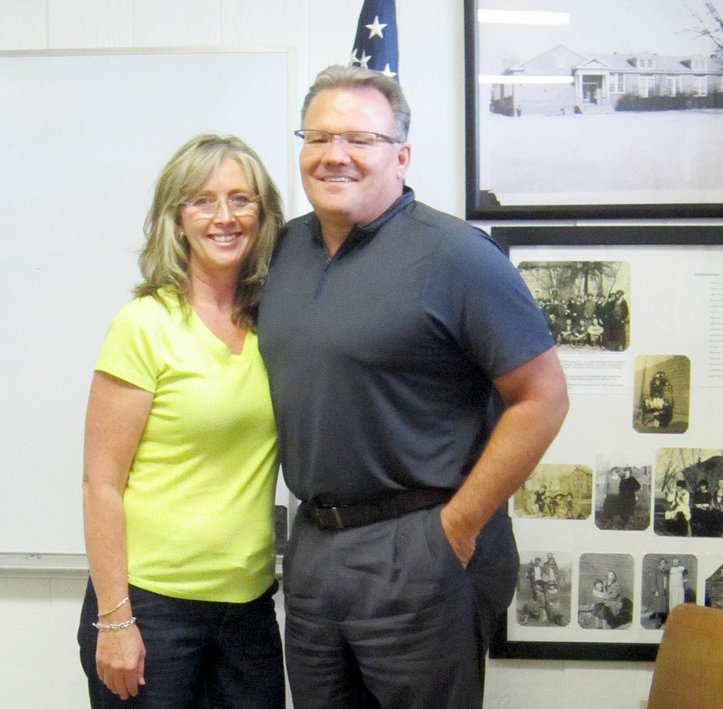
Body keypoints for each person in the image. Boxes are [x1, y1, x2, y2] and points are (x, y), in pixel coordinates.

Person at [258, 65, 569, 709]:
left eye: (359, 139)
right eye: (317, 137)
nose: (335, 155)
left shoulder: (457, 256)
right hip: (314, 547)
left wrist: (455, 528)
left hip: (419, 542)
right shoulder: (282, 251)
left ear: (400, 154)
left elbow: (543, 397)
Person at [78, 134, 286, 708]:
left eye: (242, 199)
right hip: (150, 608)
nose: (225, 217)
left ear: (263, 215)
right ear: (177, 219)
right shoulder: (144, 324)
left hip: (249, 609)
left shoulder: (279, 326)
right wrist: (115, 619)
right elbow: (101, 484)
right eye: (203, 200)